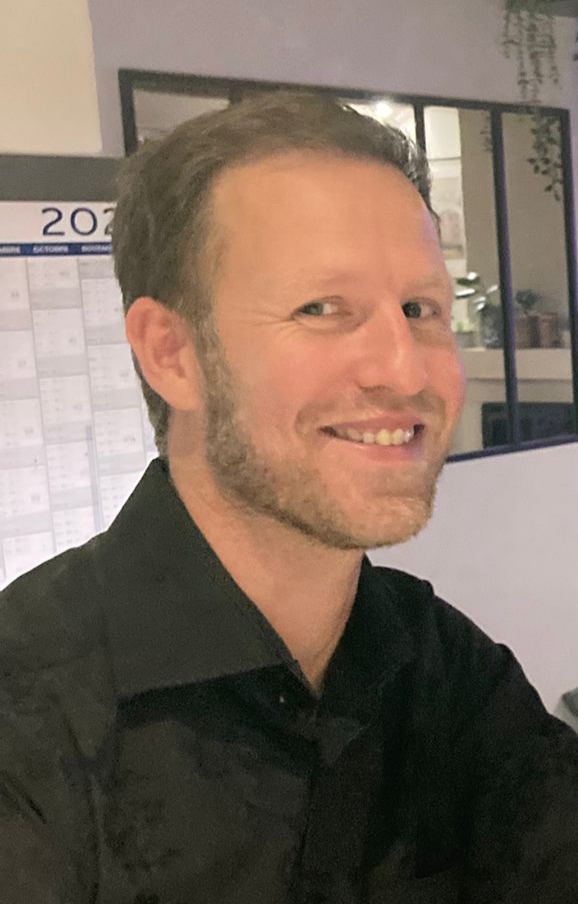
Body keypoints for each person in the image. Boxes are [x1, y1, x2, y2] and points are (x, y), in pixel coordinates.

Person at [1, 91, 577, 904]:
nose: (405, 369)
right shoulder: (28, 721)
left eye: (420, 309)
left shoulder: (442, 665)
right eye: (322, 308)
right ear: (172, 354)